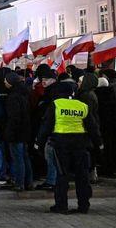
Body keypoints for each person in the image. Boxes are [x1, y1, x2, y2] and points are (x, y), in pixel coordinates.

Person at [37, 83, 102, 214]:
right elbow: (92, 126)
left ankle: (61, 205)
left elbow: (47, 125)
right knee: (82, 176)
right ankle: (84, 206)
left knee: (62, 175)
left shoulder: (56, 104)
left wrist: (39, 142)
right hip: (80, 143)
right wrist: (99, 143)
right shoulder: (82, 105)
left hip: (61, 143)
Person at [3, 72, 33, 191]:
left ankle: (20, 183)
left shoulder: (13, 97)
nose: (4, 82)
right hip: (25, 130)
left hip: (17, 132)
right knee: (24, 157)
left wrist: (10, 132)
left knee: (18, 158)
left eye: (6, 80)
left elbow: (14, 117)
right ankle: (28, 182)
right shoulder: (24, 93)